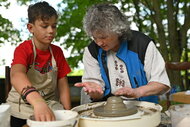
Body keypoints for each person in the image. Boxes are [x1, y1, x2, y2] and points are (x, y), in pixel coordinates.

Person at [75, 3, 171, 104]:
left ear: (118, 31)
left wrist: (137, 92)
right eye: (94, 38)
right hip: (109, 108)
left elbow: (161, 84)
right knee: (83, 94)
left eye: (103, 37)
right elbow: (96, 91)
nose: (99, 43)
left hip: (144, 106)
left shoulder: (142, 44)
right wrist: (95, 92)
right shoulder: (92, 51)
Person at [6, 1, 71, 127]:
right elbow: (16, 75)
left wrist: (68, 114)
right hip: (21, 108)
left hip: (49, 105)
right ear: (31, 28)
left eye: (54, 26)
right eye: (45, 26)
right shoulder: (24, 49)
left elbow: (63, 86)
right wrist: (37, 102)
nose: (51, 30)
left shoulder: (57, 52)